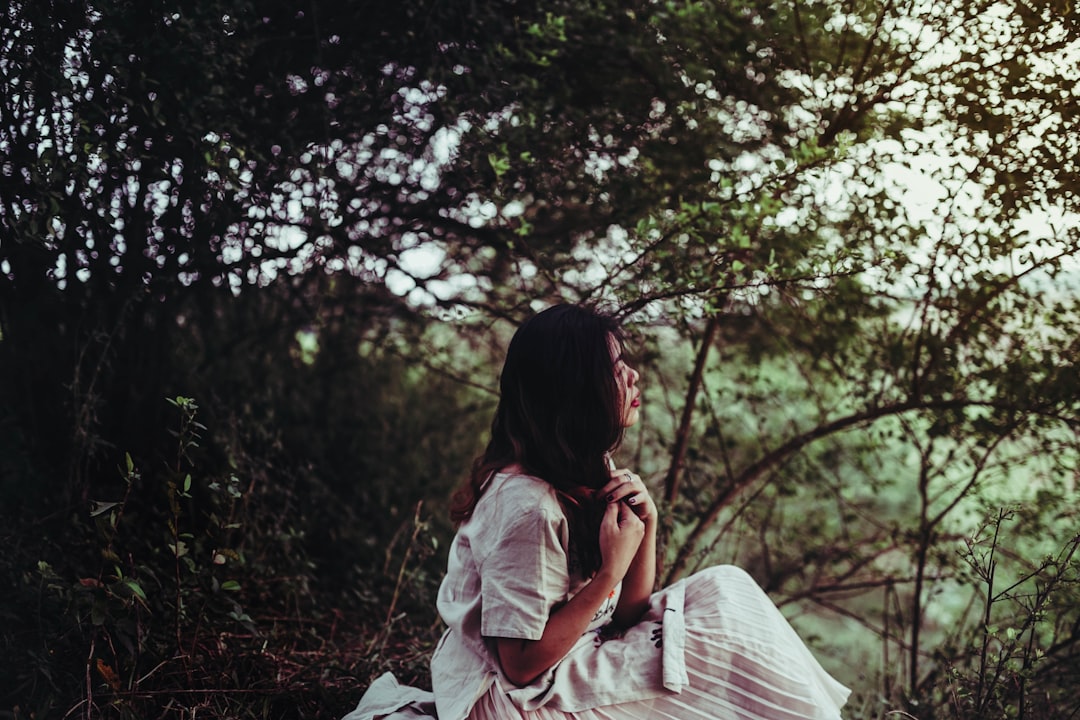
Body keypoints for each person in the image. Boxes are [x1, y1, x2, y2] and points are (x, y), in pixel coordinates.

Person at [344, 304, 850, 720]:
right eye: (613, 367)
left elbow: (627, 612)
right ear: (576, 389)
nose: (631, 375)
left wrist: (644, 530)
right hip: (512, 702)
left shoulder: (583, 468)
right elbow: (519, 665)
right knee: (710, 654)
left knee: (724, 587)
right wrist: (608, 571)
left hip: (571, 658)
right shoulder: (526, 506)